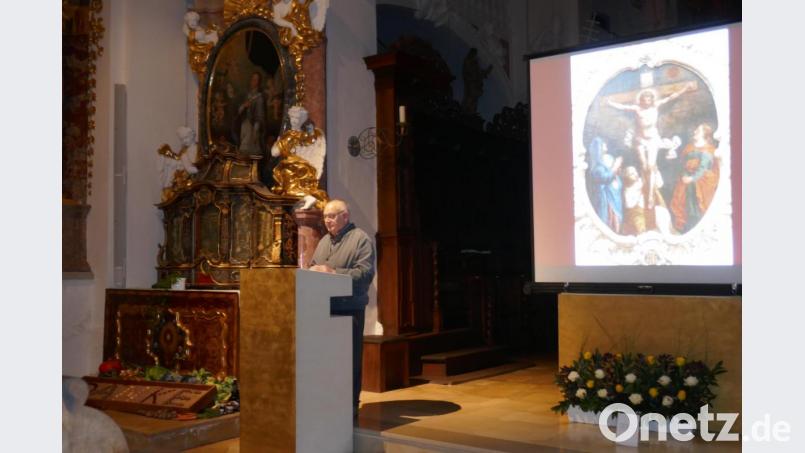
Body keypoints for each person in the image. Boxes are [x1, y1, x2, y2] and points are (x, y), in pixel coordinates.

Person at [309, 199, 376, 418]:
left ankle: (350, 406)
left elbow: (364, 275)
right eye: (325, 217)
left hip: (349, 310)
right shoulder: (324, 241)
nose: (327, 221)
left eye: (332, 216)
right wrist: (313, 271)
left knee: (348, 361)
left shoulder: (361, 239)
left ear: (345, 216)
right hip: (324, 309)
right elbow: (313, 268)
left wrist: (333, 273)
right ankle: (328, 402)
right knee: (327, 360)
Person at [607, 83, 693, 209]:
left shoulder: (656, 106)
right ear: (641, 100)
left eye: (649, 99)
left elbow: (670, 98)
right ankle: (644, 187)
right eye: (644, 99)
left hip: (652, 139)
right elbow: (622, 107)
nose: (647, 101)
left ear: (652, 99)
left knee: (651, 166)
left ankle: (651, 196)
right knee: (644, 165)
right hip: (640, 140)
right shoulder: (637, 109)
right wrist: (610, 103)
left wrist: (684, 89)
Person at [670, 123, 720, 233]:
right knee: (683, 205)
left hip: (701, 183)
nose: (694, 132)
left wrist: (692, 178)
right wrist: (684, 175)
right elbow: (682, 164)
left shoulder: (709, 150)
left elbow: (703, 168)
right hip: (686, 181)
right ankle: (685, 229)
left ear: (704, 134)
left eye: (697, 131)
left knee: (697, 208)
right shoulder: (689, 147)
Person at [587, 137, 623, 233]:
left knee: (617, 216)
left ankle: (617, 232)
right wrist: (615, 166)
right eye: (603, 144)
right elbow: (605, 178)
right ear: (598, 147)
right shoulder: (597, 166)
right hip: (607, 196)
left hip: (615, 193)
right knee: (610, 217)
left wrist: (618, 169)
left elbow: (615, 173)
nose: (605, 145)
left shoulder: (609, 158)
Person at [237, 71, 266, 156]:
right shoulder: (245, 94)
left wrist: (256, 128)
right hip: (244, 123)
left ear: (259, 82)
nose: (254, 81)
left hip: (252, 125)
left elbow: (260, 114)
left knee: (248, 148)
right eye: (253, 79)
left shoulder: (259, 97)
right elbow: (238, 110)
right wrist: (244, 106)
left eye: (256, 80)